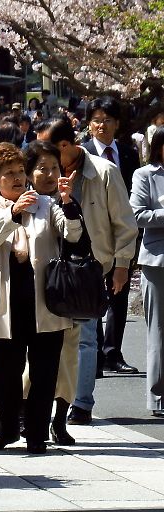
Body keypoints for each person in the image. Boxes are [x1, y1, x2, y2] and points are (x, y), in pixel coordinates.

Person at [0, 142, 82, 454]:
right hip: (5, 305)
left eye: (21, 171)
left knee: (44, 370)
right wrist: (13, 211)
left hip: (44, 302)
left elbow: (72, 233)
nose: (19, 178)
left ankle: (36, 432)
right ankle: (6, 429)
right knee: (5, 371)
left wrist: (67, 202)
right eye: (9, 173)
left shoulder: (46, 206)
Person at [34, 118, 137, 426]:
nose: (42, 157)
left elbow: (124, 222)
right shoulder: (41, 174)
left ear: (65, 146)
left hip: (89, 267)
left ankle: (80, 403)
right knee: (48, 338)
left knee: (86, 337)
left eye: (49, 149)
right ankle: (48, 401)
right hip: (49, 266)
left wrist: (121, 265)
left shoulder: (103, 172)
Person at [21, 140, 86, 445]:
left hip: (66, 293)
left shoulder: (65, 202)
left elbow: (75, 235)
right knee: (30, 362)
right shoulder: (19, 202)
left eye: (54, 168)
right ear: (28, 172)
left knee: (68, 358)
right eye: (41, 168)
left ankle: (60, 418)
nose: (48, 174)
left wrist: (68, 202)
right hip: (30, 295)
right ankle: (28, 416)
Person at [82, 96, 141, 375]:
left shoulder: (128, 153)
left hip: (121, 233)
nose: (101, 125)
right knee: (92, 295)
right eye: (96, 120)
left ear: (117, 124)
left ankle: (113, 353)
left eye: (107, 120)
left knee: (119, 292)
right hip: (92, 236)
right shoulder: (82, 154)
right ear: (89, 124)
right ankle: (93, 352)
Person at [129, 126, 164, 418]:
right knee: (158, 330)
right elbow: (137, 214)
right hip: (158, 260)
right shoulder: (145, 175)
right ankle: (158, 396)